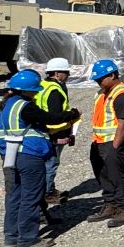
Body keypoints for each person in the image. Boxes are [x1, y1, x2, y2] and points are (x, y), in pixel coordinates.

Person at [0, 69, 77, 247]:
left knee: (14, 195)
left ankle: (11, 236)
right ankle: (28, 239)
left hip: (9, 154)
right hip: (29, 154)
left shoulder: (3, 104)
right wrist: (70, 115)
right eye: (34, 90)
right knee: (31, 196)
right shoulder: (25, 106)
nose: (36, 92)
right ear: (27, 90)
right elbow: (49, 118)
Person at [87, 59, 124, 228]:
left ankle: (123, 210)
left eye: (100, 79)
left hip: (114, 143)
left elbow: (122, 123)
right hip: (100, 142)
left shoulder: (123, 95)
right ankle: (110, 204)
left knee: (117, 176)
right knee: (103, 174)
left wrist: (115, 146)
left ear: (113, 75)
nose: (98, 82)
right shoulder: (103, 92)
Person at [36, 57, 76, 206]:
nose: (68, 75)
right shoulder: (55, 90)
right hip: (55, 132)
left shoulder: (42, 85)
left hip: (43, 130)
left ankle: (49, 189)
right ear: (58, 73)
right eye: (66, 72)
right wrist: (72, 114)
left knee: (46, 163)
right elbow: (56, 115)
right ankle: (47, 193)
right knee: (51, 163)